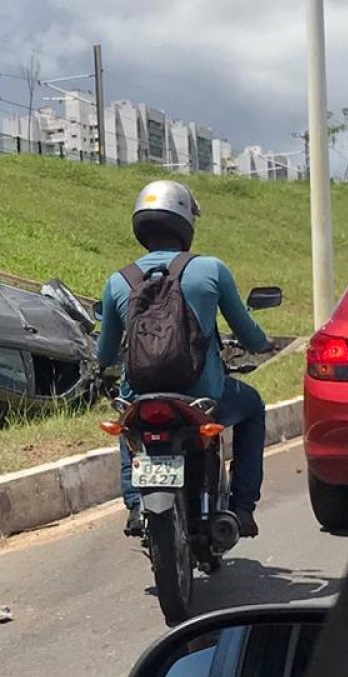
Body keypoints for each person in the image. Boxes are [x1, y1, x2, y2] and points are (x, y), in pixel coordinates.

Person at [96, 179, 273, 538]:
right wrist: (262, 343)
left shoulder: (118, 281)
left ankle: (134, 505)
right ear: (185, 223)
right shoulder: (211, 269)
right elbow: (247, 333)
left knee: (128, 418)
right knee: (253, 406)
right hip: (204, 397)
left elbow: (104, 353)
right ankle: (242, 506)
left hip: (143, 395)